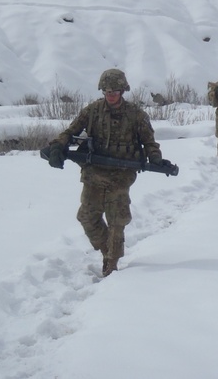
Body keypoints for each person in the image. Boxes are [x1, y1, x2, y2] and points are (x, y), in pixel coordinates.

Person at [46, 68, 165, 277]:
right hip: (94, 174)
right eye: (107, 91)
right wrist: (57, 145)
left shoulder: (136, 115)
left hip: (121, 175)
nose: (111, 95)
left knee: (117, 221)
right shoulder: (92, 111)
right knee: (86, 217)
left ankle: (112, 263)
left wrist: (156, 159)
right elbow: (70, 131)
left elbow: (149, 142)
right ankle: (107, 251)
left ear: (122, 91)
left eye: (115, 91)